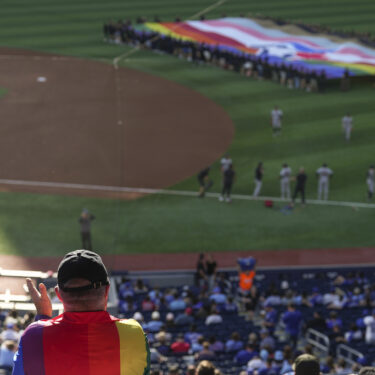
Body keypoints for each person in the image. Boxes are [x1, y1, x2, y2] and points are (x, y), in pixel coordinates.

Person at [13, 249, 150, 375]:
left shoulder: (33, 336)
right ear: (107, 290)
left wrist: (42, 318)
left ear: (58, 295)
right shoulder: (135, 334)